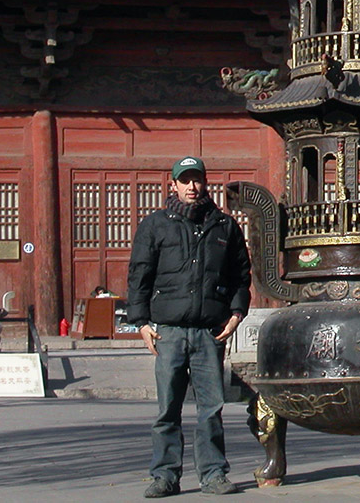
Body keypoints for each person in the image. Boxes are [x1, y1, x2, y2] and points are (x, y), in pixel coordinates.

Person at [127, 156, 251, 497]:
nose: (192, 187)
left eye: (197, 180)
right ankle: (164, 475)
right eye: (185, 181)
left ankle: (213, 473)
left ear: (205, 183)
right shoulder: (155, 226)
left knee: (211, 409)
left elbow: (241, 276)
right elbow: (140, 275)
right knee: (167, 409)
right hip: (169, 331)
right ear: (174, 185)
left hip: (209, 332)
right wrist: (140, 322)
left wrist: (236, 314)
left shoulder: (224, 227)